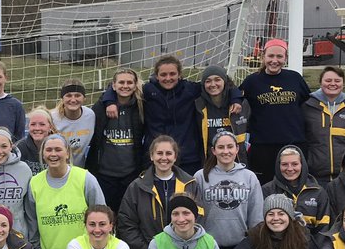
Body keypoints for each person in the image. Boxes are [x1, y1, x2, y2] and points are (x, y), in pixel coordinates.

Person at [100, 55, 241, 176]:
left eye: (172, 74)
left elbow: (224, 85)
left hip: (188, 159)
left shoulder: (191, 89)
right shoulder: (147, 91)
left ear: (179, 74)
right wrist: (110, 102)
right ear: (156, 75)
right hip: (155, 158)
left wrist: (236, 99)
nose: (168, 78)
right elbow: (117, 89)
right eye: (163, 75)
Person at [23, 134, 105, 249]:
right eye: (49, 150)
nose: (53, 154)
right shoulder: (34, 183)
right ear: (43, 154)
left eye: (58, 149)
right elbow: (32, 222)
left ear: (67, 153)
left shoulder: (85, 178)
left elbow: (102, 215)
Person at [117, 135, 196, 249]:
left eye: (169, 153)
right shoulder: (137, 187)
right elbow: (126, 224)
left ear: (175, 156)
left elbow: (198, 219)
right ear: (152, 156)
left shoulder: (190, 184)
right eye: (159, 153)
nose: (164, 158)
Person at [240, 39, 312, 185]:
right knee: (265, 187)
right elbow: (236, 97)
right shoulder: (252, 81)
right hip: (263, 146)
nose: (274, 60)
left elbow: (308, 102)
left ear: (285, 58)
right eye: (271, 56)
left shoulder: (295, 78)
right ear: (263, 57)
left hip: (294, 143)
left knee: (294, 185)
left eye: (279, 56)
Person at [192, 131, 264, 249]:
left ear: (237, 149)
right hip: (208, 245)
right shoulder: (200, 176)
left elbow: (256, 215)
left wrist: (254, 242)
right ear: (213, 151)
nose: (226, 151)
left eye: (230, 147)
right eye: (221, 147)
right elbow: (195, 214)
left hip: (241, 245)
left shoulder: (249, 177)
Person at [86, 68, 146, 212]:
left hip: (131, 174)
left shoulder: (141, 106)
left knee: (128, 214)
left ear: (135, 85)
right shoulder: (101, 106)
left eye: (129, 83)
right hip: (105, 175)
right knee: (106, 214)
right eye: (121, 82)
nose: (125, 86)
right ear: (113, 85)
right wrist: (108, 101)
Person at [302, 65, 345, 182]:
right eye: (328, 80)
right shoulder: (307, 107)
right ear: (320, 82)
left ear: (343, 83)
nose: (332, 84)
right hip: (315, 176)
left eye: (337, 81)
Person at [261, 145, 331, 232]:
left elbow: (323, 228)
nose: (290, 169)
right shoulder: (267, 190)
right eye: (284, 164)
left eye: (295, 164)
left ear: (302, 165)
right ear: (278, 166)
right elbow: (262, 225)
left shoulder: (318, 192)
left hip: (310, 240)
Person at [194, 65, 249, 165]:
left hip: (237, 161)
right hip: (209, 163)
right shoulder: (198, 105)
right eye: (208, 81)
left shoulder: (240, 103)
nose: (213, 84)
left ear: (225, 81)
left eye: (217, 80)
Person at [51, 80, 96, 166]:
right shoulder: (53, 118)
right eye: (68, 95)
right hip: (56, 168)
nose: (73, 100)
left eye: (77, 95)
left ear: (84, 98)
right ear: (62, 99)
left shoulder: (90, 115)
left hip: (79, 170)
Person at [15, 107, 56, 175]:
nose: (37, 128)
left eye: (42, 124)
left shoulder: (59, 147)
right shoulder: (20, 148)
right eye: (33, 124)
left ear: (50, 127)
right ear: (28, 126)